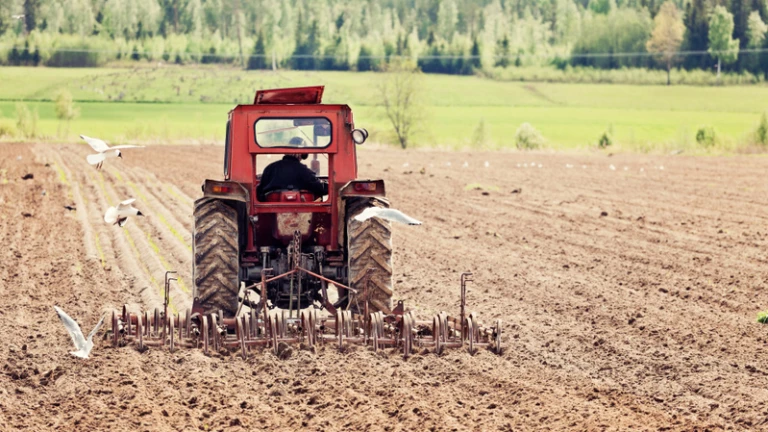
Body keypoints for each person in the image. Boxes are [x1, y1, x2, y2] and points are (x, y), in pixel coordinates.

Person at [256, 137, 328, 201]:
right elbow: (320, 189)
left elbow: (259, 193)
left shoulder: (270, 169)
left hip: (270, 214)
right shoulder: (304, 171)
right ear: (303, 153)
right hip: (302, 214)